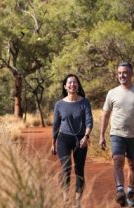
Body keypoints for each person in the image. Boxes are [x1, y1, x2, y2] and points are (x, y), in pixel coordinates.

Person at [99, 61, 134, 207]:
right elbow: (105, 115)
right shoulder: (112, 93)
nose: (122, 75)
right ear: (117, 75)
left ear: (131, 74)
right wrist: (102, 135)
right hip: (116, 133)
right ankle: (120, 190)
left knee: (132, 164)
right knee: (118, 159)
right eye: (120, 73)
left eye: (125, 72)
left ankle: (130, 193)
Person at [52, 74, 93, 208]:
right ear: (65, 86)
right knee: (66, 168)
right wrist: (53, 143)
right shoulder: (59, 104)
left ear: (78, 85)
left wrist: (86, 136)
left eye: (75, 82)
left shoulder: (84, 102)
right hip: (64, 139)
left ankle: (77, 202)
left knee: (79, 170)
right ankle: (65, 200)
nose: (72, 85)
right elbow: (56, 125)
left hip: (81, 139)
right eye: (69, 83)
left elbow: (89, 121)